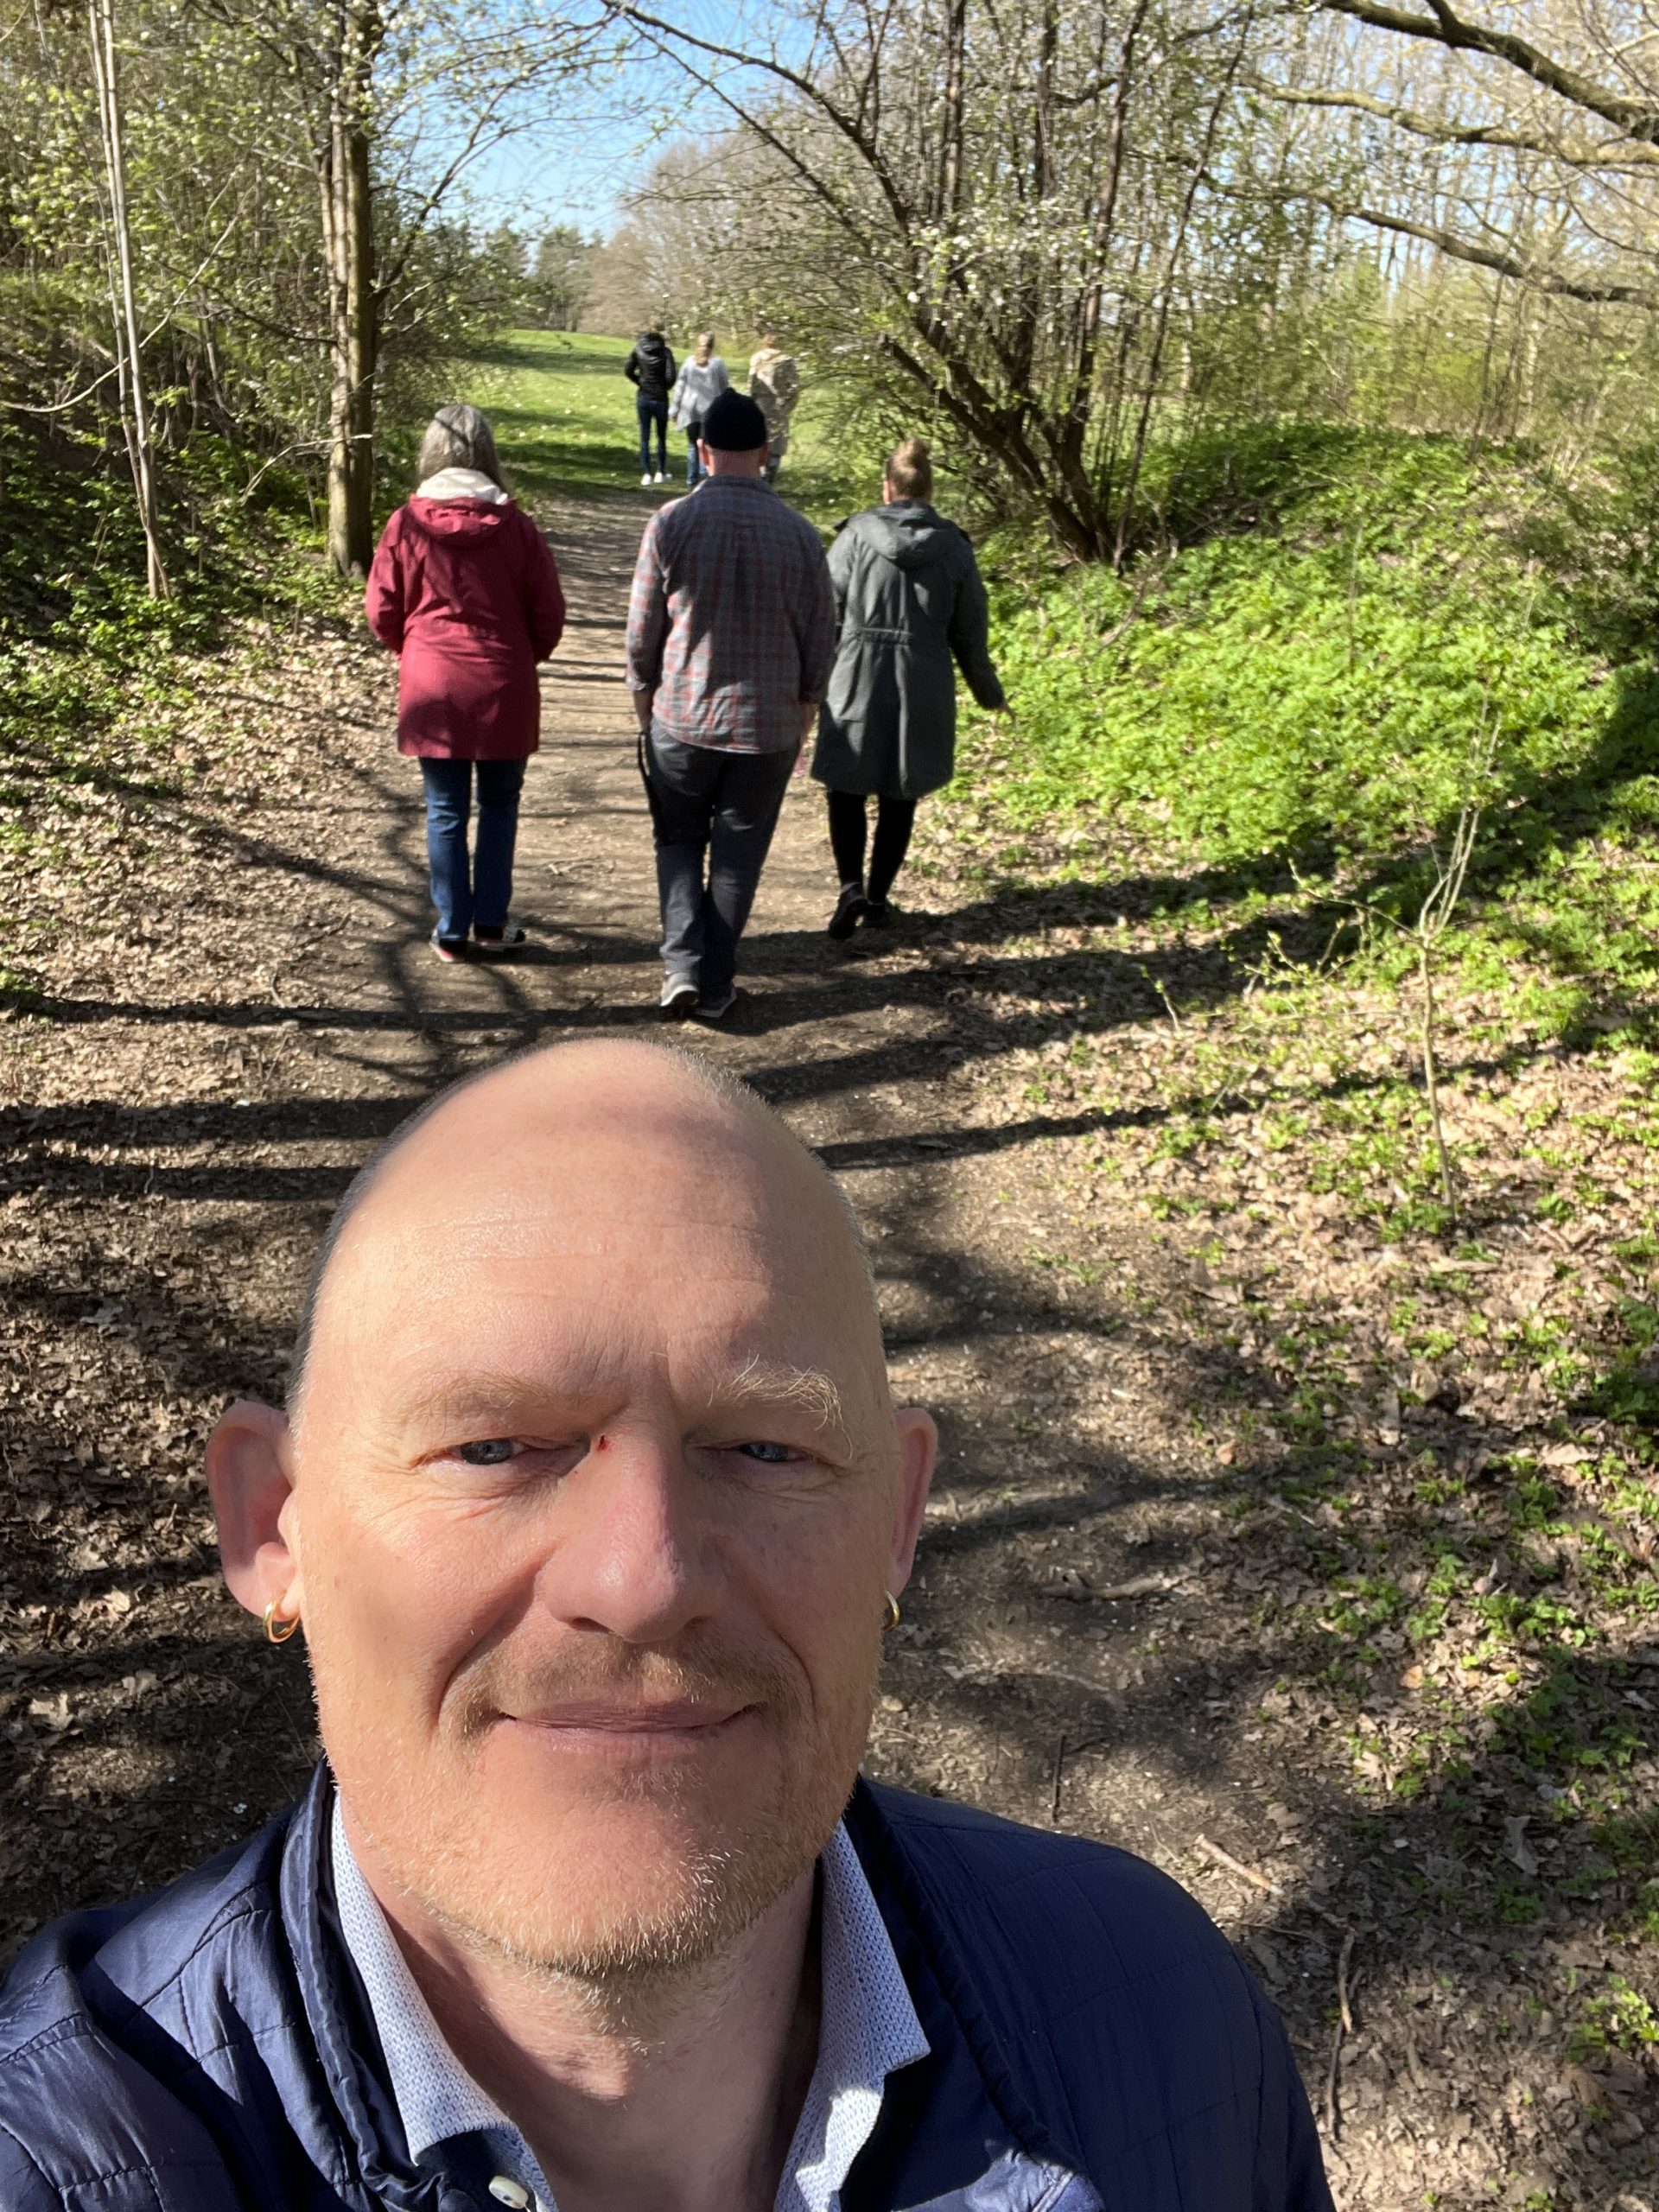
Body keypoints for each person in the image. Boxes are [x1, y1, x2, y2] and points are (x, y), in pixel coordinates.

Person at [0, 1038, 1335, 2212]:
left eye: (763, 1448)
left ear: (898, 1518)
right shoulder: (54, 2160)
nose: (642, 1579)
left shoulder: (1162, 2015)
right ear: (275, 1526)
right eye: (494, 1447)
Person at [626, 388, 836, 1025]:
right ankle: (716, 984)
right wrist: (806, 708)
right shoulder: (801, 536)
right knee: (739, 857)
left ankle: (680, 968)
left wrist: (644, 703)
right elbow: (820, 636)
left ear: (702, 451)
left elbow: (642, 633)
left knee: (680, 842)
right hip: (766, 727)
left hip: (683, 718)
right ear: (766, 454)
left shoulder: (670, 523)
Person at [365, 404, 565, 963]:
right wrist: (523, 659)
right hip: (504, 684)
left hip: (434, 687)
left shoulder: (406, 525)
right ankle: (491, 925)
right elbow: (549, 613)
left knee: (444, 809)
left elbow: (381, 608)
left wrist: (413, 652)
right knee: (500, 805)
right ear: (489, 457)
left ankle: (451, 928)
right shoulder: (517, 529)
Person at [813, 436, 1003, 939]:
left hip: (855, 672)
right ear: (929, 490)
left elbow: (825, 612)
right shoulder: (956, 547)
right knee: (904, 788)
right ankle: (878, 899)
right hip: (923, 677)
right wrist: (989, 691)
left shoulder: (854, 537)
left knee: (846, 786)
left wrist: (808, 683)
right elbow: (970, 630)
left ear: (887, 486)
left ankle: (850, 886)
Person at [669, 330, 730, 486]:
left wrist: (674, 409)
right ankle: (704, 479)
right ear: (713, 345)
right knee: (706, 446)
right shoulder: (717, 364)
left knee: (692, 445)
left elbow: (680, 387)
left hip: (690, 410)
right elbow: (725, 387)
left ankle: (691, 480)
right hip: (710, 411)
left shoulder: (689, 363)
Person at [624, 326, 677, 485]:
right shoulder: (665, 352)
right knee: (661, 436)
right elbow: (671, 376)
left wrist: (640, 382)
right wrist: (664, 387)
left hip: (644, 397)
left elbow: (628, 370)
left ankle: (646, 473)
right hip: (660, 398)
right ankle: (661, 471)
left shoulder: (638, 350)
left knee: (644, 436)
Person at [747, 329, 800, 485]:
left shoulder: (757, 358)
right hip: (779, 405)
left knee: (760, 440)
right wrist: (788, 404)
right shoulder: (787, 360)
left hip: (761, 404)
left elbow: (751, 385)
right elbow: (794, 387)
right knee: (777, 444)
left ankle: (761, 473)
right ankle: (770, 476)